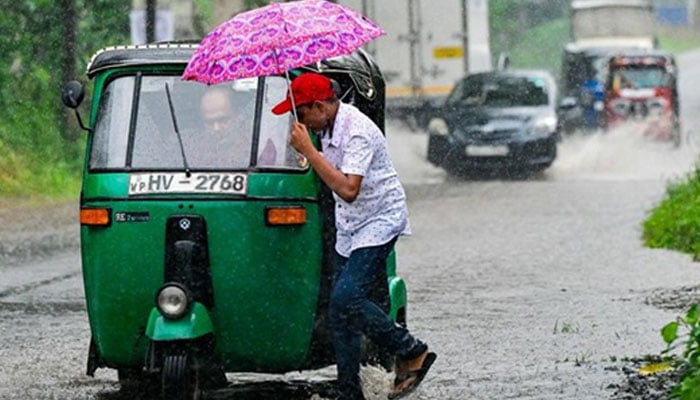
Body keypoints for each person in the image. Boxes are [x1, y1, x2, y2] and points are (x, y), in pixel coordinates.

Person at [271, 73, 437, 400]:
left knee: (345, 298)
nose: (298, 120)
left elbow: (348, 188)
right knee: (340, 313)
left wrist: (309, 149)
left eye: (300, 114)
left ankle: (411, 350)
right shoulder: (325, 127)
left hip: (378, 219)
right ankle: (350, 393)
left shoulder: (357, 131)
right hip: (349, 226)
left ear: (319, 106)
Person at [197, 85, 276, 167]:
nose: (216, 128)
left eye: (223, 120)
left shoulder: (260, 147)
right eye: (209, 122)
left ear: (239, 114)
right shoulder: (196, 150)